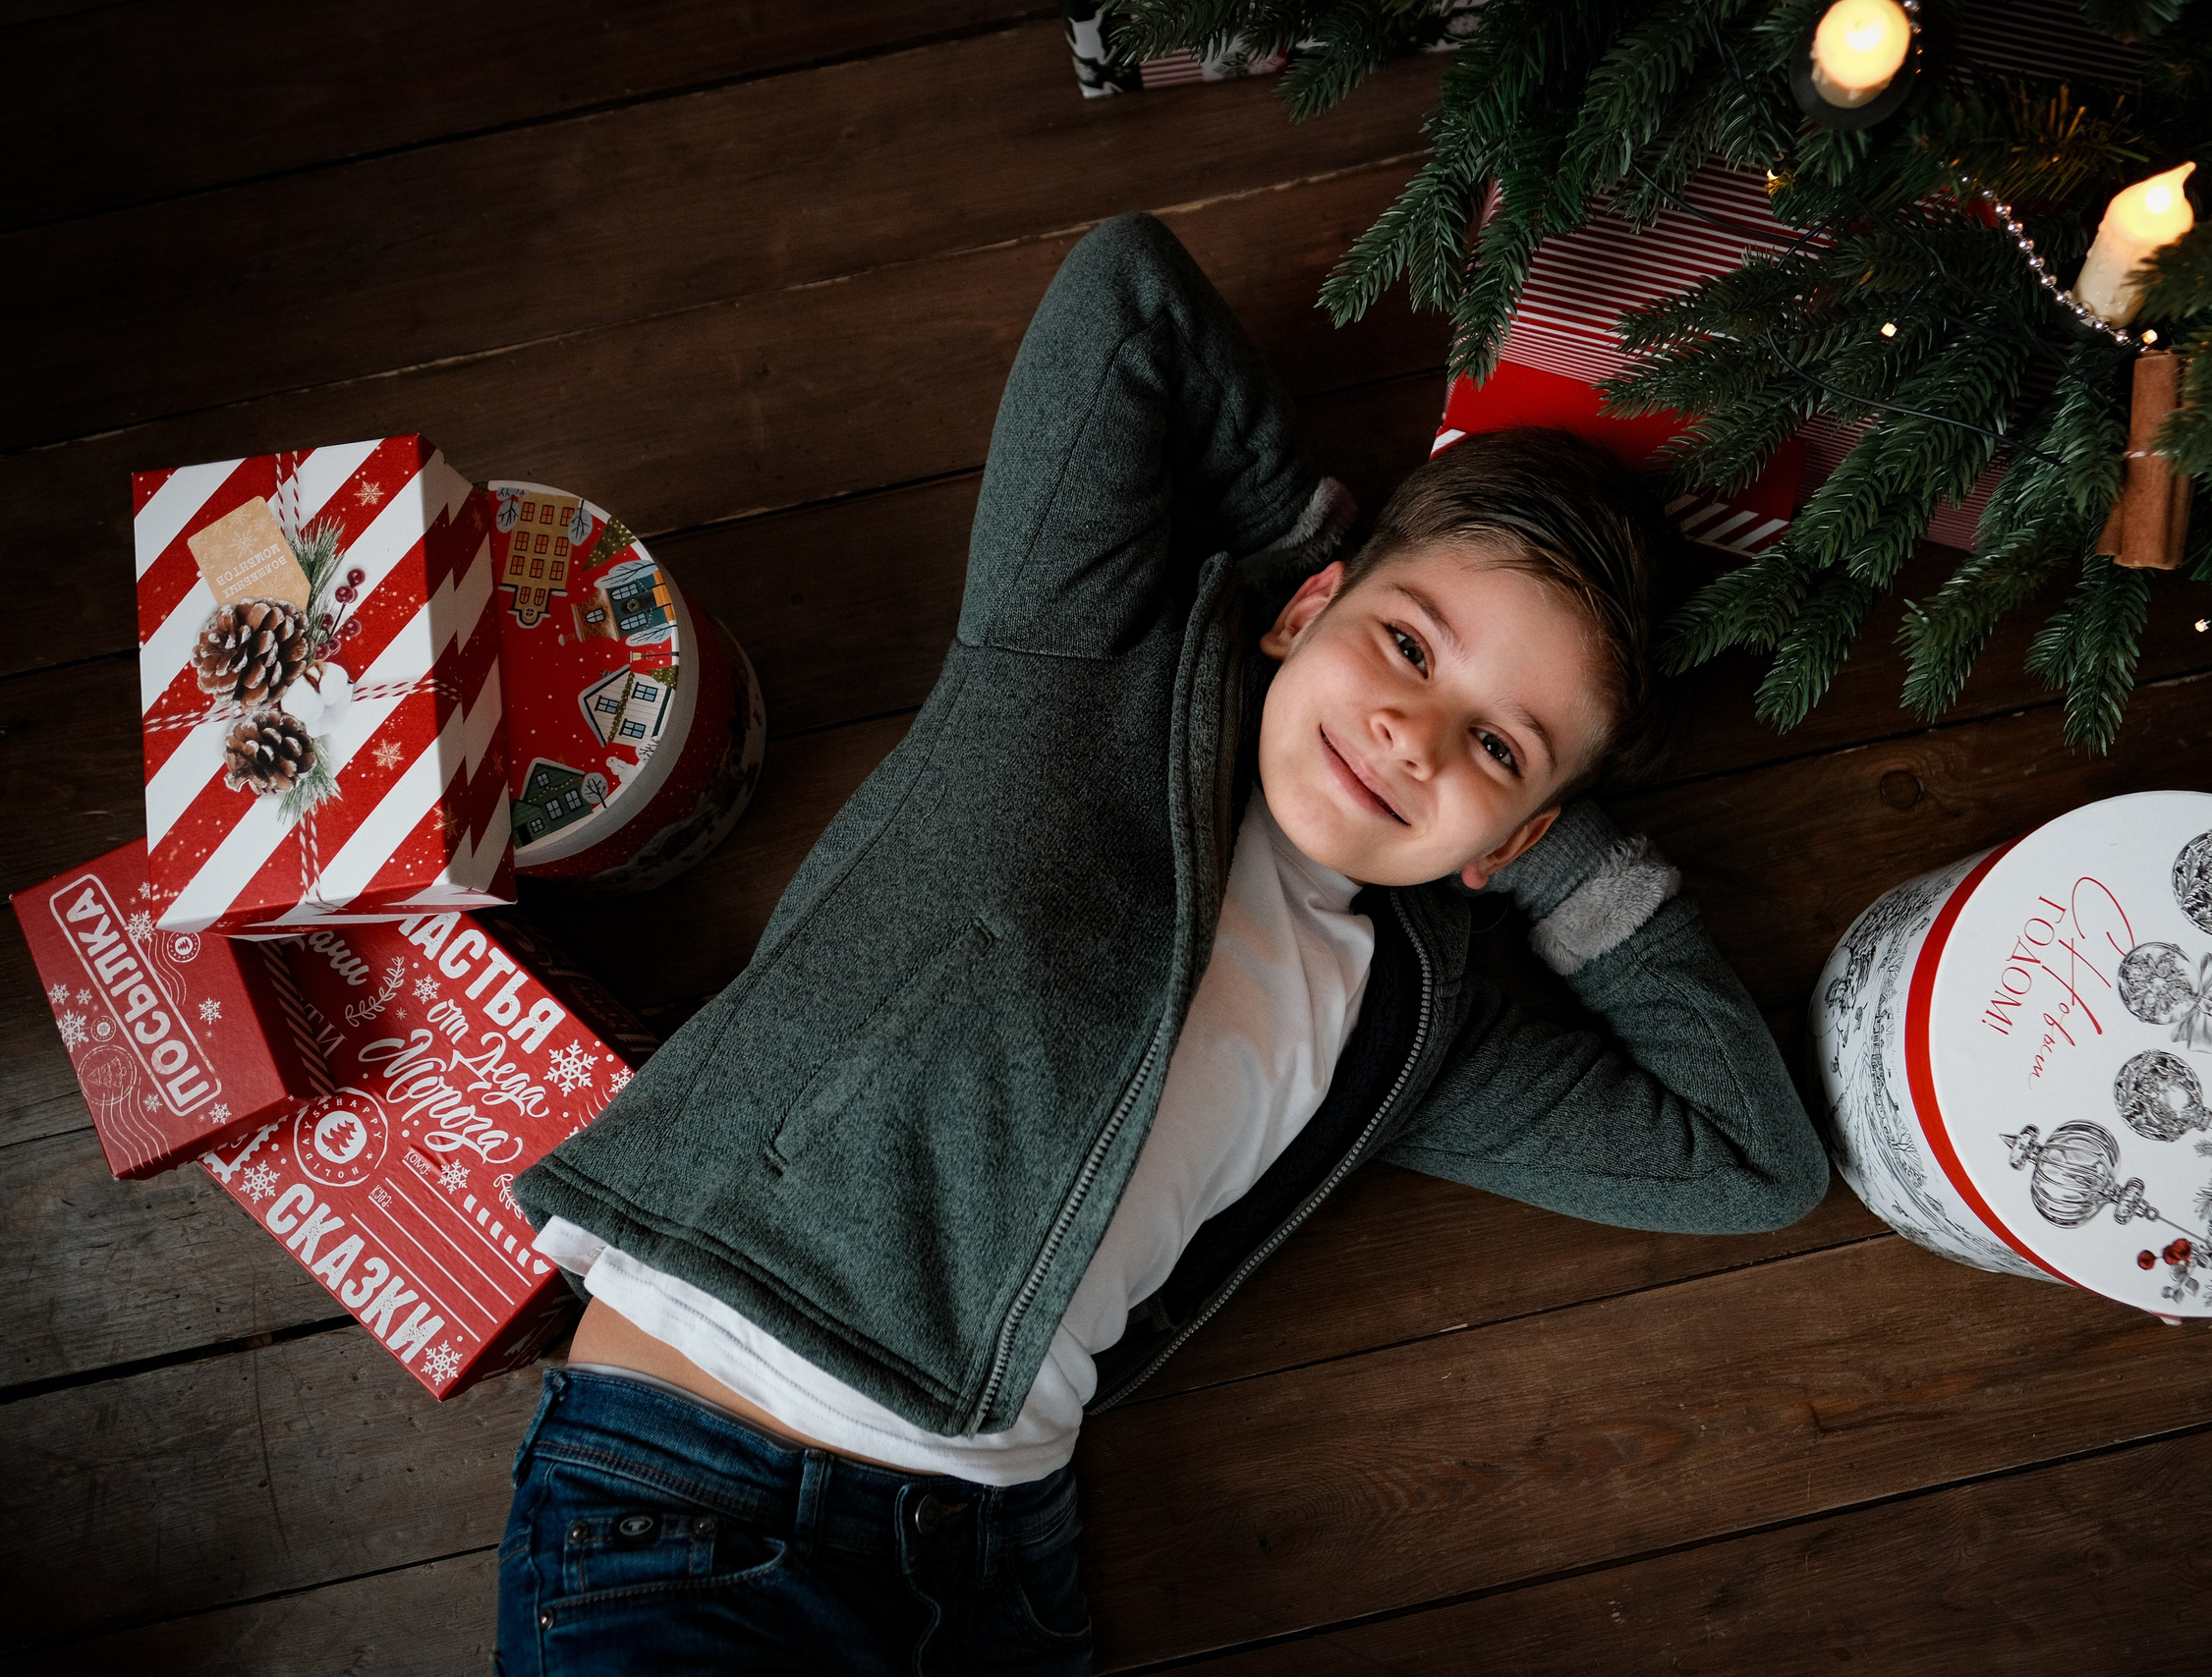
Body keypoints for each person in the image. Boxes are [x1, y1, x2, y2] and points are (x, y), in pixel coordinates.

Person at [493, 211, 1829, 1676]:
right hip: (696, 1493)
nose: (1411, 731)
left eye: (1497, 746)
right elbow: (1126, 295)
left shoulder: (1417, 1029)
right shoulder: (1086, 654)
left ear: (1510, 835)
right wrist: (1303, 553)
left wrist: (1560, 855)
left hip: (1004, 1560)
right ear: (1314, 613)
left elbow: (1749, 1165)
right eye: (1406, 643)